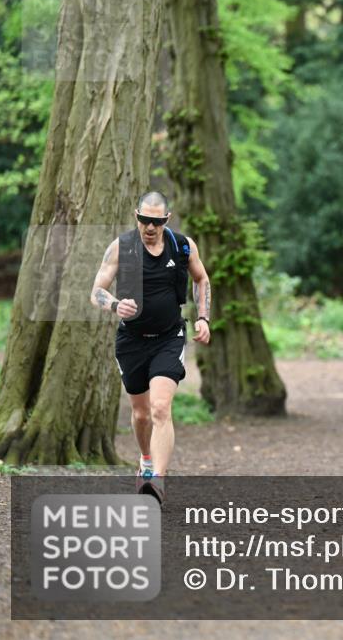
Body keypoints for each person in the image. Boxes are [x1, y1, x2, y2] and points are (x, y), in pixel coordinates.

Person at [90, 191, 212, 505]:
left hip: (169, 338)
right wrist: (116, 305)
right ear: (137, 216)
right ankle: (145, 458)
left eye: (156, 221)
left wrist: (203, 317)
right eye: (145, 220)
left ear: (166, 220)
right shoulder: (122, 247)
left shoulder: (183, 246)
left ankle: (156, 481)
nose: (150, 227)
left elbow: (201, 279)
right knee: (141, 414)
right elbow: (97, 290)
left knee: (160, 408)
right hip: (131, 342)